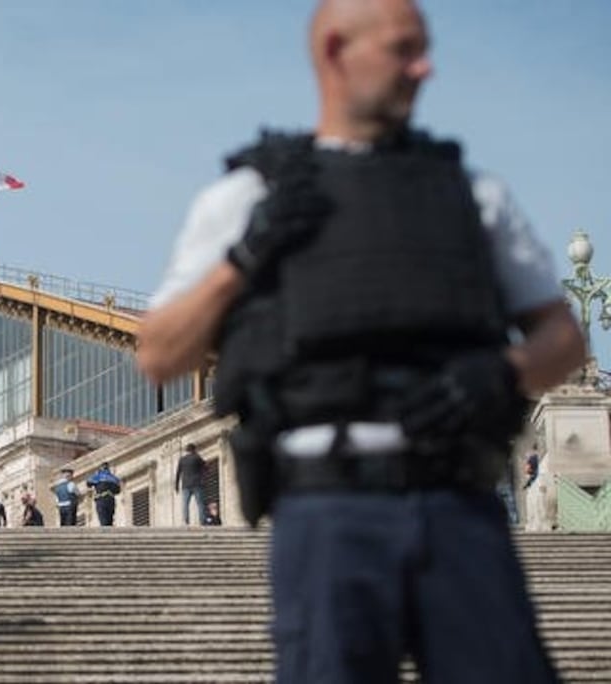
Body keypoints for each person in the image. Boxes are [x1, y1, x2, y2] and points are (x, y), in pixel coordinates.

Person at [136, 1, 586, 681]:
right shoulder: (248, 197)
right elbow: (159, 352)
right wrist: (248, 255)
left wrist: (504, 371)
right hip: (325, 507)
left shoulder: (473, 195)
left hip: (457, 501)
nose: (424, 68)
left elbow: (562, 337)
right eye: (405, 49)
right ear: (336, 50)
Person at [175, 443, 210, 525]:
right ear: (194, 450)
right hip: (197, 484)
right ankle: (202, 521)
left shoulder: (182, 459)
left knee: (185, 504)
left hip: (185, 485)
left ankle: (185, 521)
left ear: (186, 450)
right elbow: (206, 466)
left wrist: (176, 485)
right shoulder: (197, 457)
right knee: (200, 503)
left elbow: (178, 473)